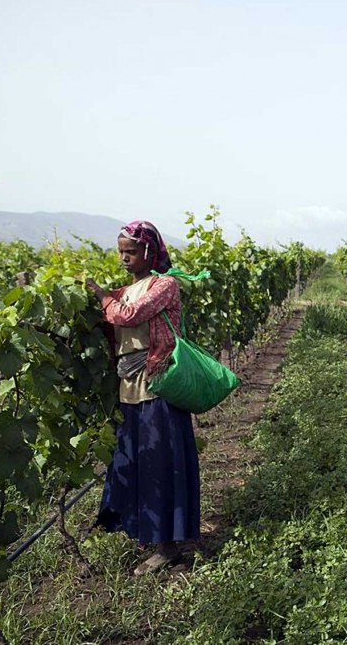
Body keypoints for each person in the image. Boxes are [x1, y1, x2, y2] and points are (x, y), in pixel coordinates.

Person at [86, 220, 200, 576]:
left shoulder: (164, 286)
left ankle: (168, 546)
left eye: (131, 251)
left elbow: (128, 315)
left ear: (150, 252)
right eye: (120, 251)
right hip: (129, 386)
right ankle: (147, 534)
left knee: (160, 465)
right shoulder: (128, 289)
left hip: (156, 386)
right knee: (136, 461)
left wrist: (101, 295)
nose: (124, 258)